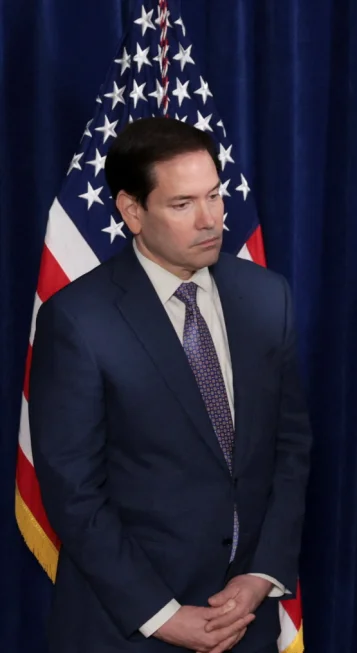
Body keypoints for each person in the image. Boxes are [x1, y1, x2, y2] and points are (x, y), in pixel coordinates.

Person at [28, 117, 312, 653]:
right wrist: (162, 616)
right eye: (182, 205)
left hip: (245, 620)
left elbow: (290, 450)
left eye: (215, 196)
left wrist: (262, 577)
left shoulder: (267, 297)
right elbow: (74, 492)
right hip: (129, 627)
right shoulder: (79, 321)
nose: (210, 220)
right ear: (132, 211)